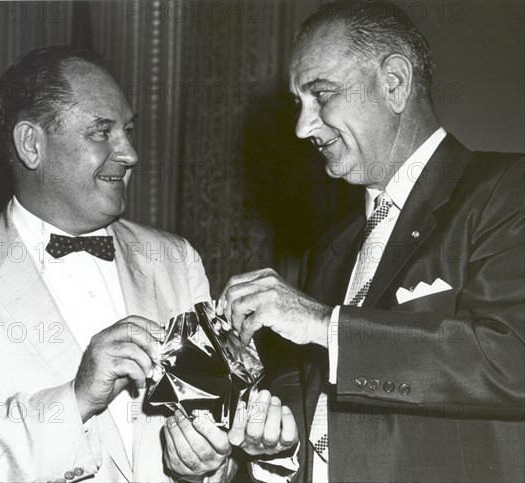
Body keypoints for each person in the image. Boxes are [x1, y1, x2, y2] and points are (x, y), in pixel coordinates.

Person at [0, 45, 293, 483]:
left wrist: (205, 464)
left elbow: (219, 434)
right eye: (102, 132)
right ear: (31, 144)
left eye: (128, 131)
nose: (131, 153)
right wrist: (77, 398)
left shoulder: (176, 259)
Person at [218, 2, 525, 482]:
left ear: (395, 83)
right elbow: (314, 406)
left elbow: (512, 359)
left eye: (321, 94)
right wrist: (274, 448)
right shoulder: (331, 248)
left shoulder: (507, 190)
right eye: (300, 103)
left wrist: (323, 323)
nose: (303, 126)